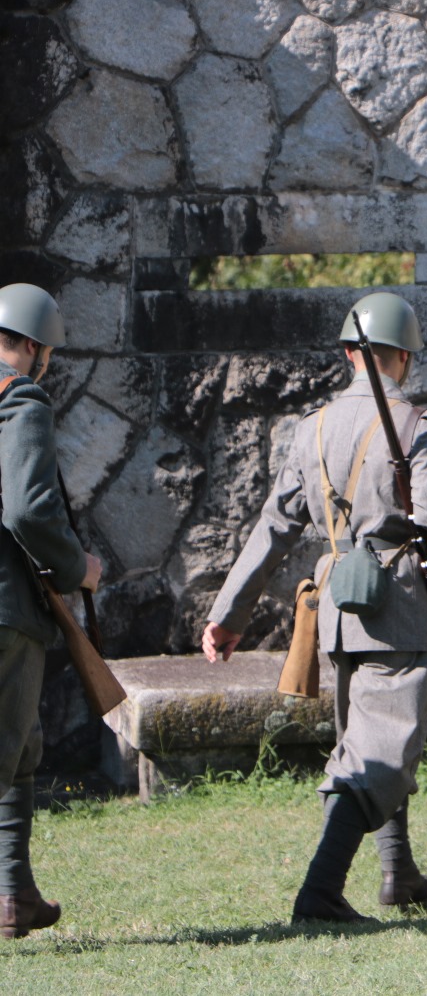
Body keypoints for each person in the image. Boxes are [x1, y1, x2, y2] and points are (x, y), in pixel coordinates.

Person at [202, 292, 427, 923]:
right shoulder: (417, 426)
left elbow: (275, 526)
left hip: (337, 608)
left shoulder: (310, 429)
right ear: (403, 354)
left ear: (350, 354)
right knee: (383, 745)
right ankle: (320, 893)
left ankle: (398, 873)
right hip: (395, 599)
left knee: (368, 738)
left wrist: (229, 613)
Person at [0, 283, 102, 940]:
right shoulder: (21, 401)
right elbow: (30, 511)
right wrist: (78, 568)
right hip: (6, 610)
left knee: (23, 746)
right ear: (33, 349)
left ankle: (15, 895)